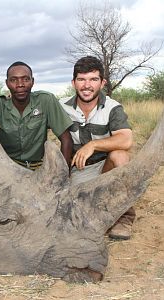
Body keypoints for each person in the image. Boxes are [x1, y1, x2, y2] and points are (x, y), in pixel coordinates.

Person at [59, 56, 135, 240]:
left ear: (102, 83)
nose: (87, 85)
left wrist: (93, 145)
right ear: (73, 82)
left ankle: (125, 217)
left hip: (104, 168)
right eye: (81, 79)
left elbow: (126, 139)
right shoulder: (61, 105)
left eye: (93, 79)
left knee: (120, 156)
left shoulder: (112, 107)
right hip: (78, 170)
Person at [0, 61, 73, 170]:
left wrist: (64, 173)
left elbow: (66, 139)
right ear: (7, 83)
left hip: (38, 168)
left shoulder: (45, 100)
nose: (20, 84)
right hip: (7, 167)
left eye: (26, 79)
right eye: (13, 80)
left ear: (32, 82)